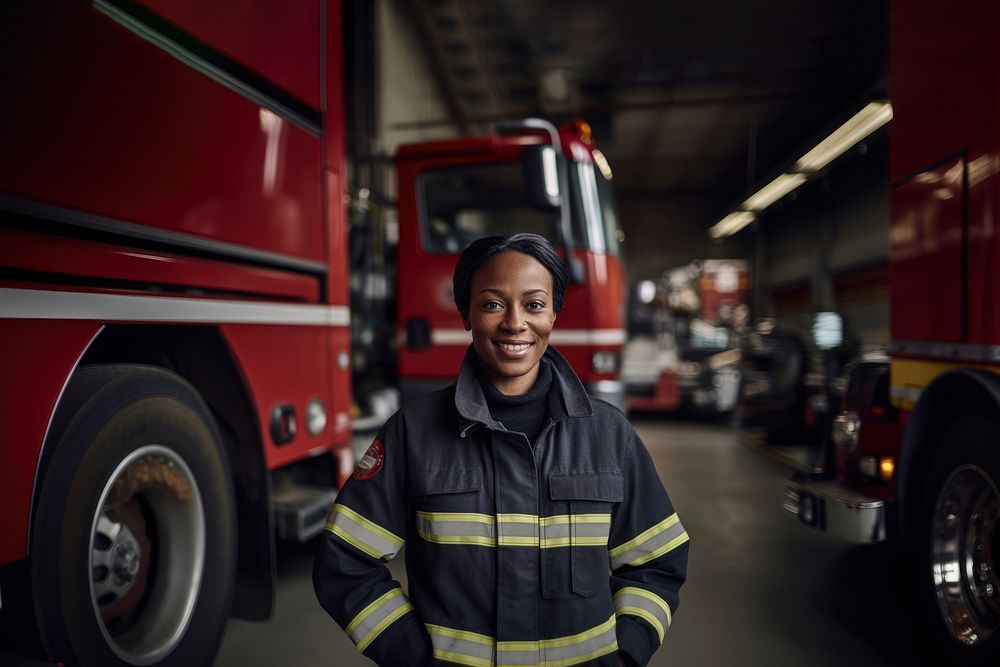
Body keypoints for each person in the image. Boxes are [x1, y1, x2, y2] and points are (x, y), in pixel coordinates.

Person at [314, 233, 688, 666]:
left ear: (554, 313)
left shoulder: (608, 435)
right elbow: (345, 563)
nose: (515, 323)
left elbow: (658, 561)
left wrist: (626, 653)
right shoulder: (412, 433)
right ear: (466, 315)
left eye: (534, 305)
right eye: (492, 304)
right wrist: (413, 658)